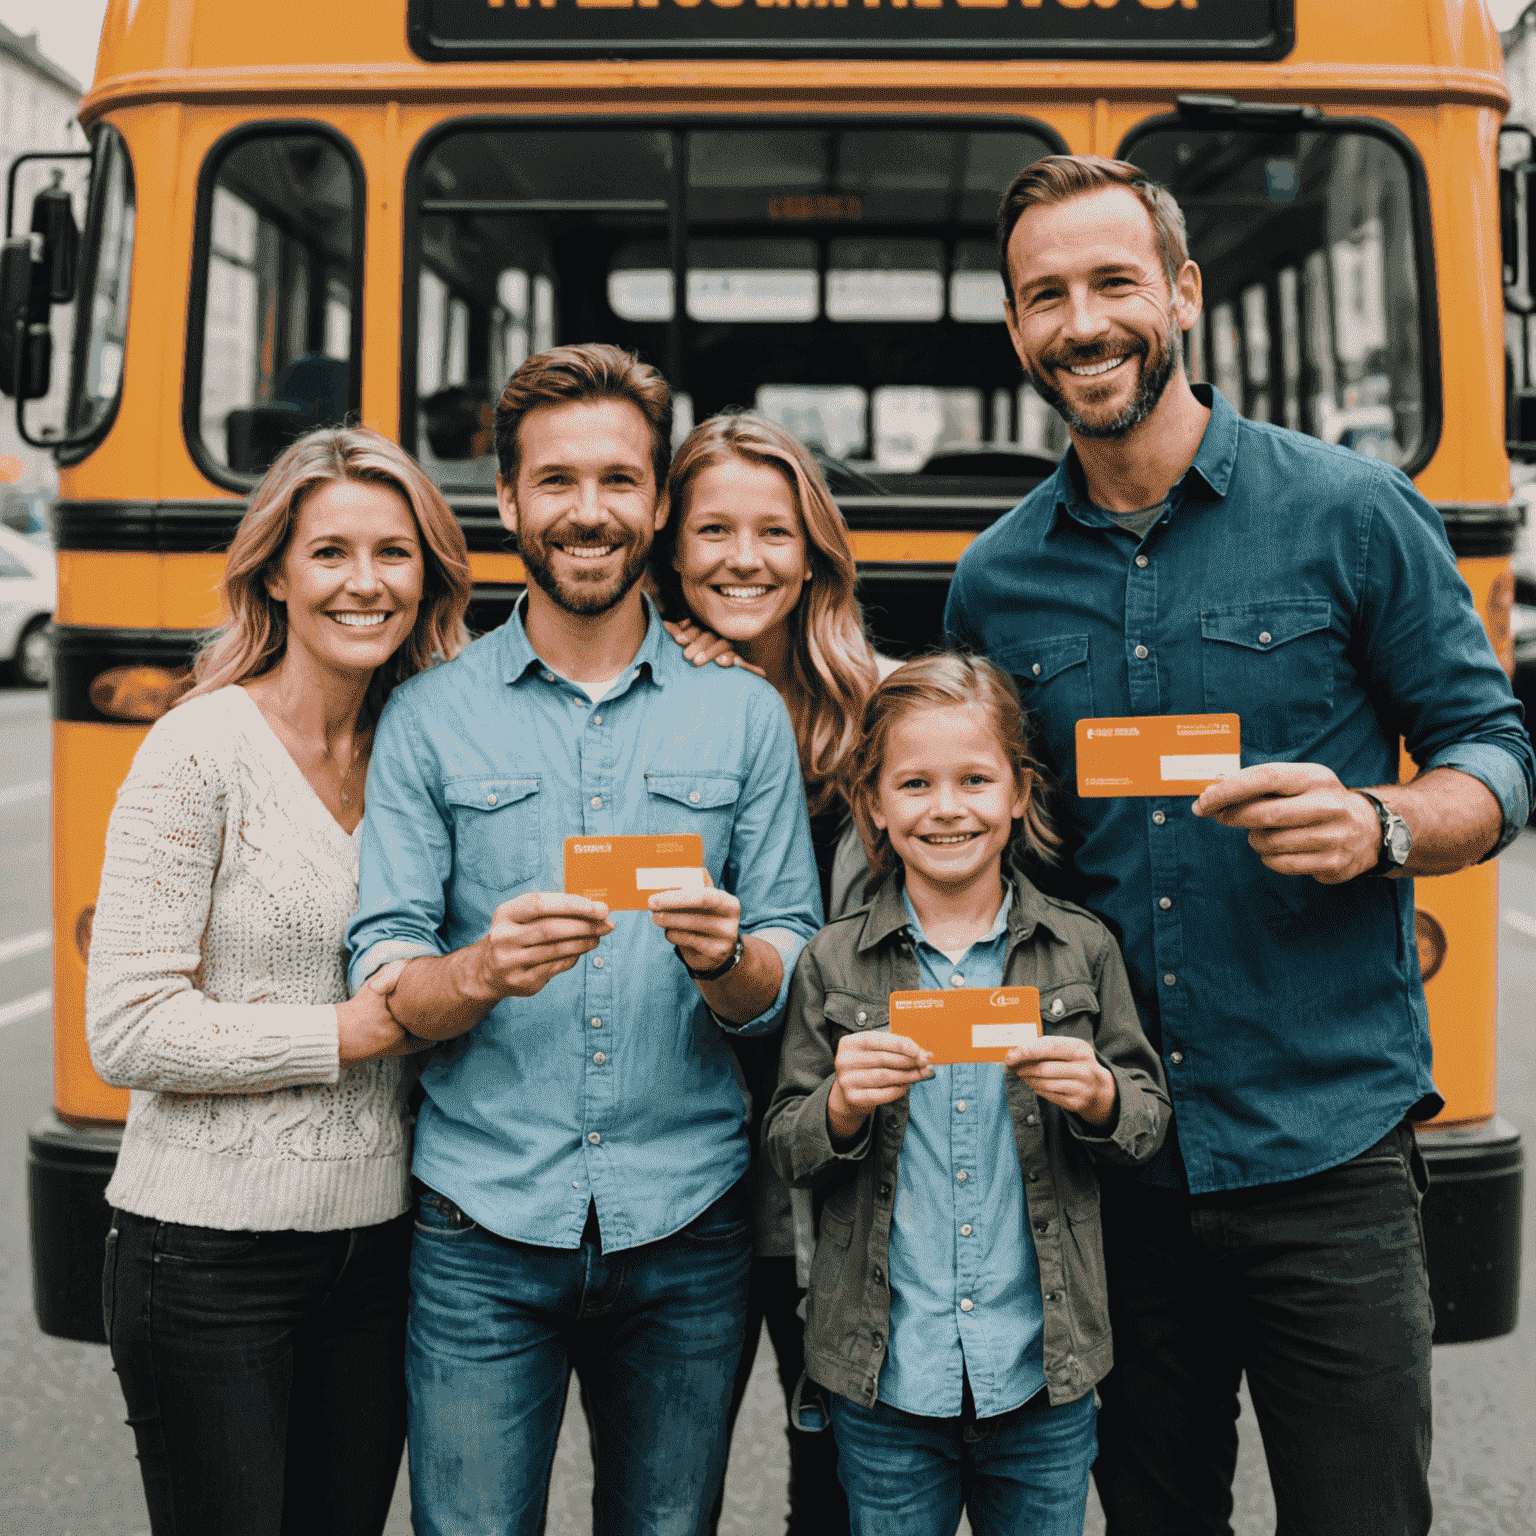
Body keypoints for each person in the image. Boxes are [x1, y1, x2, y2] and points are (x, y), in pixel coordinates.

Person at [945, 153, 1536, 1535]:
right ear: (1019, 328)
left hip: (1327, 1153)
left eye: (1111, 283)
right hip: (1116, 1169)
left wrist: (1384, 824)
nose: (1083, 322)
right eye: (1047, 295)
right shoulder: (995, 581)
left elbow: (1500, 756)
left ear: (1182, 295)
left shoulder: (1349, 514)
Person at [345, 345, 823, 1536]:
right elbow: (387, 955)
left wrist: (730, 963)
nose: (589, 511)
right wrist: (476, 975)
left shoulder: (745, 714)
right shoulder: (428, 715)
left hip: (688, 1223)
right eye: (556, 481)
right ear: (507, 500)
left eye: (620, 480)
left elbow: (792, 964)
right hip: (479, 1226)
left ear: (657, 506)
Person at [87, 426, 473, 1536]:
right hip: (204, 1259)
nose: (366, 584)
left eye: (395, 554)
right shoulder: (200, 747)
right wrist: (355, 1032)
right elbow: (128, 1029)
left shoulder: (425, 743)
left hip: (383, 1250)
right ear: (275, 573)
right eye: (331, 554)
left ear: (429, 574)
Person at [763, 654, 1170, 1536]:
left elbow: (1146, 1123)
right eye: (914, 783)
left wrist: (1099, 1097)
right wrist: (838, 1108)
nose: (947, 808)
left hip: (1041, 1374)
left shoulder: (1082, 951)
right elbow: (786, 1144)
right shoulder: (829, 963)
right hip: (888, 1377)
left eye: (975, 780)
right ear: (873, 803)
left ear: (1019, 794)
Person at [656, 411, 887, 1535]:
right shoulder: (634, 704)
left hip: (844, 1177)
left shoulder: (888, 715)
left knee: (838, 1483)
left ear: (815, 553)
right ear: (669, 550)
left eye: (773, 531)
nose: (743, 559)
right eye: (712, 531)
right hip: (681, 1167)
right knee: (661, 1488)